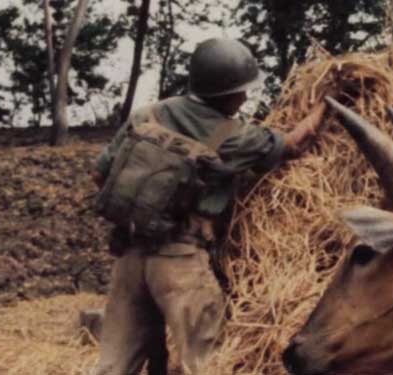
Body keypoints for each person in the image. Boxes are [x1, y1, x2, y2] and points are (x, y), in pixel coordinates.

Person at [90, 37, 327, 375]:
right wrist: (326, 103)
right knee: (204, 361)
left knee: (114, 365)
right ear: (226, 94)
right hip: (180, 261)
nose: (245, 97)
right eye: (242, 91)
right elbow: (294, 144)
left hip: (128, 257)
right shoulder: (233, 136)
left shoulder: (147, 115)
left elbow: (99, 175)